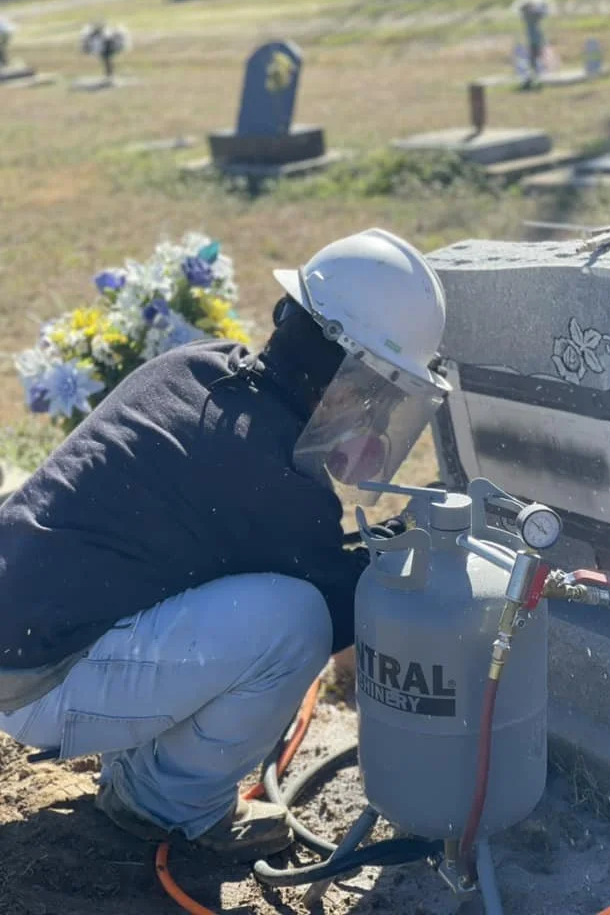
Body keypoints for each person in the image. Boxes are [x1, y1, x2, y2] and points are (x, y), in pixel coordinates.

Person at [0, 228, 451, 860]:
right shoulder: (270, 470)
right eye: (381, 398)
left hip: (29, 628)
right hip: (38, 680)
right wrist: (424, 546)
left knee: (236, 598)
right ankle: (160, 802)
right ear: (346, 382)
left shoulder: (204, 371)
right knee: (294, 623)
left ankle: (139, 772)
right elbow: (347, 610)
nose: (376, 418)